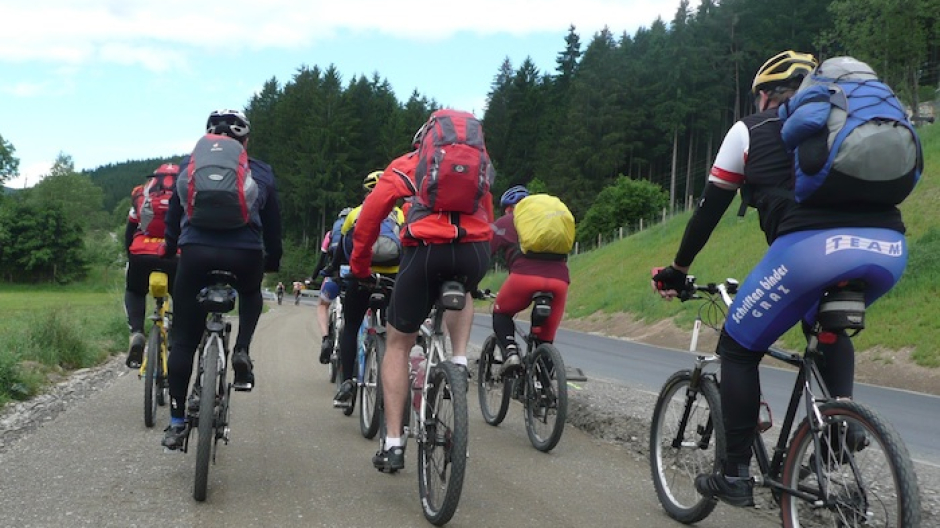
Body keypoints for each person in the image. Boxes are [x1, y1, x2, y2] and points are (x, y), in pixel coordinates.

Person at [652, 51, 910, 507]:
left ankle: (734, 475)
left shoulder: (750, 130)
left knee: (737, 348)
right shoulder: (849, 121)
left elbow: (710, 209)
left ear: (766, 95)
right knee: (826, 328)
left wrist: (678, 270)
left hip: (810, 253)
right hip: (888, 248)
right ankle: (839, 427)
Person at [348, 118, 494, 472]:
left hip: (425, 252)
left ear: (424, 142)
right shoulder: (478, 165)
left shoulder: (407, 165)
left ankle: (394, 443)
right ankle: (459, 361)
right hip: (474, 253)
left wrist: (360, 266)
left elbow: (369, 218)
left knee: (399, 344)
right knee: (466, 288)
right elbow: (487, 215)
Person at [160, 109, 283, 450]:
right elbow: (273, 224)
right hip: (244, 254)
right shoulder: (260, 171)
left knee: (183, 340)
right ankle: (242, 349)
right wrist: (271, 258)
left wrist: (172, 247)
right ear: (246, 141)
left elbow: (174, 214)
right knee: (250, 292)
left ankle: (176, 421)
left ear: (210, 137)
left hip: (196, 252)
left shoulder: (190, 166)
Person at [331, 171, 404, 409]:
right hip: (392, 277)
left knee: (351, 326)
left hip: (363, 276)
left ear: (366, 192)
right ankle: (398, 382)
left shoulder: (355, 213)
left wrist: (333, 271)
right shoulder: (400, 213)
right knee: (397, 332)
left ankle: (348, 382)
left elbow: (341, 250)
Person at [489, 185, 570, 375]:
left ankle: (511, 352)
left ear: (508, 208)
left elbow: (484, 252)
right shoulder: (549, 221)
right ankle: (546, 391)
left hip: (523, 278)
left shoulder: (505, 221)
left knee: (501, 314)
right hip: (559, 281)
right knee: (545, 341)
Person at [123, 163, 180, 368]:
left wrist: (129, 254)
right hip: (176, 254)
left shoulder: (142, 194)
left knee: (134, 290)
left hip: (142, 254)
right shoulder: (189, 193)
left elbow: (130, 231)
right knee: (182, 294)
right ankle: (176, 333)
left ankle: (137, 332)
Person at [314, 207, 353, 364]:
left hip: (334, 276)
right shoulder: (361, 230)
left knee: (322, 305)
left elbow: (322, 260)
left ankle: (325, 338)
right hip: (355, 277)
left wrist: (313, 277)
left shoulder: (331, 234)